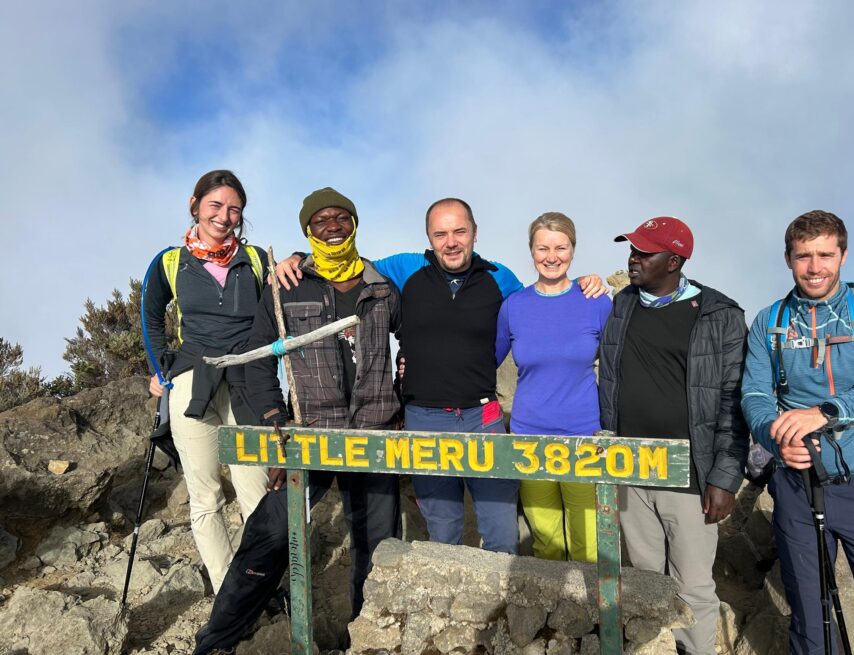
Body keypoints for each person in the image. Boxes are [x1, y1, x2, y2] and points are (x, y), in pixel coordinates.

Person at [277, 198, 606, 554]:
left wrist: (586, 282)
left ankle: (501, 607)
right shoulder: (405, 269)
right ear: (430, 238)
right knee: (443, 532)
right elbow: (348, 268)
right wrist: (299, 259)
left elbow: (542, 299)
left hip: (484, 418)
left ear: (475, 234)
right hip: (424, 419)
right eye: (441, 233)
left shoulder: (500, 279)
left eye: (459, 231)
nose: (451, 241)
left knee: (501, 531)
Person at [194, 187, 402, 654]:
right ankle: (218, 640)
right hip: (308, 436)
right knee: (267, 536)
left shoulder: (382, 287)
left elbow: (415, 342)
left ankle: (368, 640)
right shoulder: (285, 285)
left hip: (373, 434)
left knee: (380, 547)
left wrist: (401, 396)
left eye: (341, 217)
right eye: (321, 220)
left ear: (355, 223)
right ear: (308, 229)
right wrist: (276, 422)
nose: (333, 226)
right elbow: (256, 362)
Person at [741, 210, 854, 654]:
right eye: (804, 256)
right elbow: (755, 397)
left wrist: (825, 411)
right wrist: (777, 437)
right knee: (811, 620)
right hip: (798, 486)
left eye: (825, 254)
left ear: (843, 255)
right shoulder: (771, 321)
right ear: (788, 259)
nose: (815, 267)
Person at [598, 216, 748, 655]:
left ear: (675, 260)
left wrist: (724, 477)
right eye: (632, 249)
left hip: (691, 477)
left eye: (646, 252)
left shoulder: (721, 315)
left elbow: (732, 401)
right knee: (646, 582)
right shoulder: (623, 304)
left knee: (693, 588)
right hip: (632, 467)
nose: (633, 258)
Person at [142, 170, 268, 595]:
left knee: (256, 493)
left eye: (234, 209)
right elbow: (150, 314)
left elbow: (283, 302)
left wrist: (293, 261)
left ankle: (261, 586)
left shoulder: (256, 261)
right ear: (195, 204)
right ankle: (228, 593)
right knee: (206, 497)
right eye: (215, 205)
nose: (224, 216)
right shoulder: (170, 262)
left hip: (247, 384)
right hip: (190, 385)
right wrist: (160, 371)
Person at [494, 212, 611, 562]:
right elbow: (485, 360)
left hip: (585, 437)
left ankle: (593, 616)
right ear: (531, 251)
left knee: (588, 544)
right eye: (542, 248)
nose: (551, 256)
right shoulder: (514, 306)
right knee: (546, 545)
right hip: (530, 439)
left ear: (573, 250)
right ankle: (555, 618)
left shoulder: (596, 301)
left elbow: (621, 365)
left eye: (560, 247)